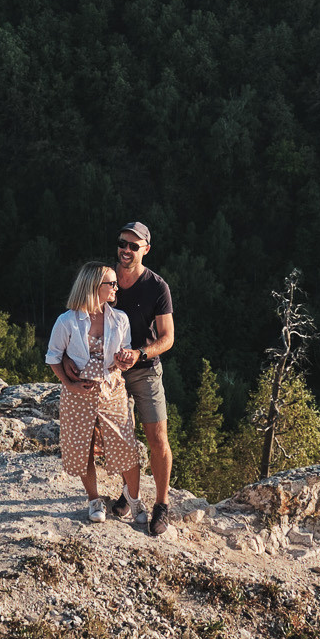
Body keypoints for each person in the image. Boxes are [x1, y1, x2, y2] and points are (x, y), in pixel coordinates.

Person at [45, 261, 143, 523]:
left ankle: (135, 500)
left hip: (112, 389)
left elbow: (126, 351)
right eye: (110, 283)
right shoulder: (66, 321)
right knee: (82, 446)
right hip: (78, 393)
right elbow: (53, 356)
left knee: (126, 445)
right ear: (93, 287)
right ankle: (93, 500)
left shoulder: (119, 318)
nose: (115, 287)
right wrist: (70, 384)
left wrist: (124, 359)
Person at [109, 220, 177, 535]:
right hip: (111, 372)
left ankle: (161, 505)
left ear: (146, 250)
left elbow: (167, 337)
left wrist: (140, 354)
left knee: (157, 439)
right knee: (121, 439)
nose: (126, 250)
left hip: (146, 369)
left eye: (133, 246)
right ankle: (129, 494)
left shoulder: (156, 287)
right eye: (123, 243)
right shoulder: (105, 279)